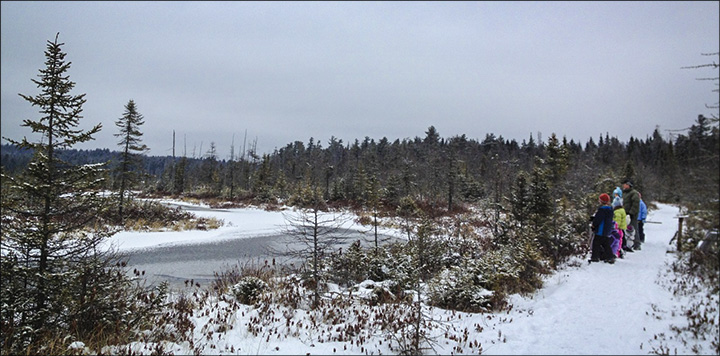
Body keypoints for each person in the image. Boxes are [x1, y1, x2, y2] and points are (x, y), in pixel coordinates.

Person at [591, 193, 616, 264]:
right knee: (606, 244)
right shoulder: (610, 210)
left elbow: (598, 219)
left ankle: (595, 257)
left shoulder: (602, 210)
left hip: (600, 230)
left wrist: (594, 225)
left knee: (596, 243)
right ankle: (610, 257)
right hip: (607, 230)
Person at [622, 179, 641, 250]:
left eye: (625, 184)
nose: (623, 185)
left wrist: (631, 213)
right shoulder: (625, 193)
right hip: (625, 213)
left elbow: (635, 204)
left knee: (634, 228)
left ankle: (637, 244)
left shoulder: (634, 193)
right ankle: (628, 243)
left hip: (632, 214)